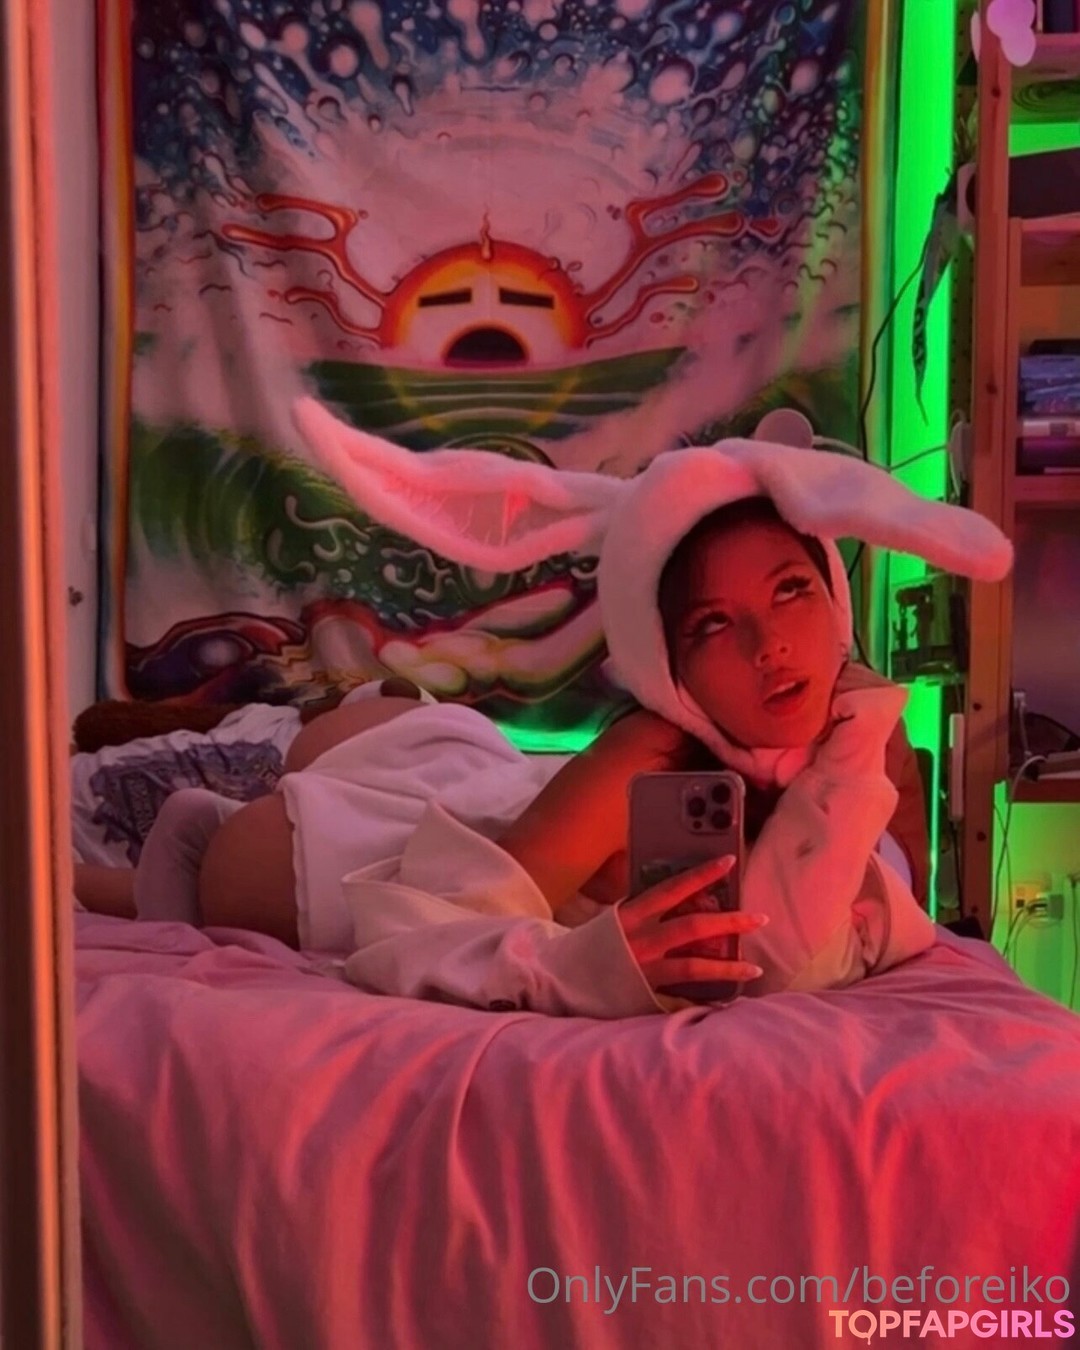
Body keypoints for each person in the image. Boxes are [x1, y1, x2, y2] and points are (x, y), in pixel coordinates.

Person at [75, 496, 933, 1012]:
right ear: (667, 666)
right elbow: (424, 928)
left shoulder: (853, 730)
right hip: (324, 854)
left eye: (792, 591)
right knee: (286, 767)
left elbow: (862, 908)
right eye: (714, 624)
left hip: (477, 774)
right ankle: (223, 755)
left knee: (365, 736)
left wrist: (860, 748)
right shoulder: (650, 755)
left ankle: (252, 765)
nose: (770, 645)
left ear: (836, 600)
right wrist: (594, 965)